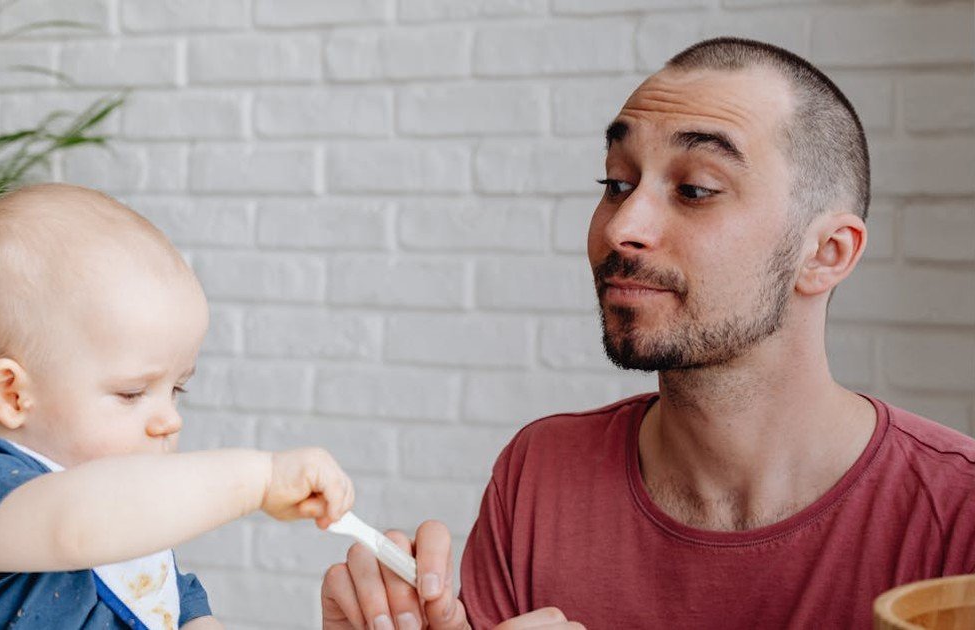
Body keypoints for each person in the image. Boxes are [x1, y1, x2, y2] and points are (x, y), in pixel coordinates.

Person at [321, 37, 975, 630]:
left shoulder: (958, 511)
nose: (620, 227)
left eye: (695, 189)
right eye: (616, 182)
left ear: (826, 253)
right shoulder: (539, 474)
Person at [0, 183, 356, 628]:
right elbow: (74, 525)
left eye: (177, 390)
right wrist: (259, 478)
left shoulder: (133, 547)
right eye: (132, 393)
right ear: (12, 395)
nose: (170, 419)